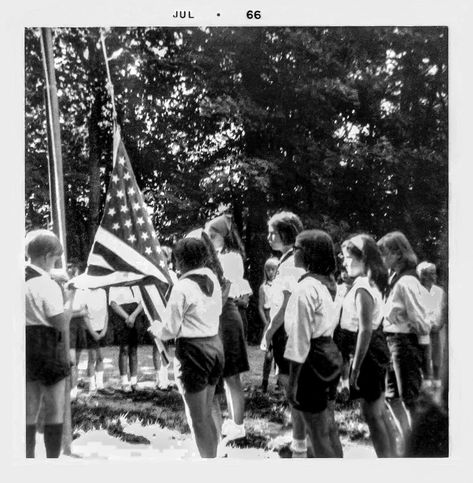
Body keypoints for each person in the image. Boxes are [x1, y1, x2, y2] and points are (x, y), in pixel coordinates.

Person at [150, 237, 224, 458]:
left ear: (179, 260)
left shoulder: (182, 287)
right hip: (215, 346)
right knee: (208, 410)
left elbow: (169, 330)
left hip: (193, 352)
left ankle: (208, 465)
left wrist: (156, 328)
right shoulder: (212, 278)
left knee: (197, 418)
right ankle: (212, 456)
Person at [284, 229, 343, 457]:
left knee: (316, 433)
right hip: (328, 354)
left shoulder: (305, 288)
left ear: (308, 253)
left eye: (296, 248)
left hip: (313, 360)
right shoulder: (327, 284)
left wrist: (293, 382)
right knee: (328, 425)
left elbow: (300, 340)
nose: (293, 252)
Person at [340, 234, 395, 457]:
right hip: (374, 349)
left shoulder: (363, 286)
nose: (344, 262)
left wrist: (355, 369)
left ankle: (386, 462)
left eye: (347, 257)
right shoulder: (370, 282)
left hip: (366, 353)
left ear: (363, 259)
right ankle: (394, 459)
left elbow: (365, 329)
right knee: (379, 413)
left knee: (372, 414)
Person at [377, 231, 432, 450]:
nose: (381, 258)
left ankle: (421, 446)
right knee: (392, 397)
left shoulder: (407, 281)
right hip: (391, 342)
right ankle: (408, 440)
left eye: (385, 253)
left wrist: (422, 352)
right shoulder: (393, 279)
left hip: (404, 343)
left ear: (399, 254)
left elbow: (421, 321)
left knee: (410, 398)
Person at [25, 230, 74, 458]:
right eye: (54, 258)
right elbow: (61, 321)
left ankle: (26, 459)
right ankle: (52, 462)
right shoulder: (46, 285)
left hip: (23, 346)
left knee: (28, 409)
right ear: (46, 256)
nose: (54, 263)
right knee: (55, 408)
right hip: (47, 346)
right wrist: (70, 298)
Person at [262, 211, 307, 457]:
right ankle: (298, 436)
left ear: (286, 234)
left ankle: (300, 441)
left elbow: (286, 303)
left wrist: (268, 332)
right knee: (287, 384)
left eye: (273, 233)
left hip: (287, 330)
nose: (269, 237)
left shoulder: (291, 264)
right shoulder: (286, 259)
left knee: (291, 386)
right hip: (286, 329)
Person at [205, 214, 250, 442]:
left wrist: (211, 311)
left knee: (232, 374)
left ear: (224, 235)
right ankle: (229, 423)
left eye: (213, 235)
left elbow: (225, 290)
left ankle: (238, 425)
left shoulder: (232, 257)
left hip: (226, 315)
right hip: (217, 316)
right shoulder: (217, 256)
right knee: (222, 375)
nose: (209, 239)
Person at [416, 261, 447, 388]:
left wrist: (439, 324)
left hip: (438, 329)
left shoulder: (440, 291)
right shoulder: (417, 291)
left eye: (434, 273)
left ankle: (437, 384)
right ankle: (426, 385)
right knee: (425, 358)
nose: (435, 276)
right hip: (423, 330)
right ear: (422, 275)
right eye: (431, 273)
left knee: (438, 355)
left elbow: (445, 309)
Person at [109, 285, 145, 392]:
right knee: (124, 349)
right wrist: (127, 317)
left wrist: (133, 316)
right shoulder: (115, 283)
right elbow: (113, 303)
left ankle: (134, 382)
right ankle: (124, 382)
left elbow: (142, 302)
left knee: (133, 349)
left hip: (135, 316)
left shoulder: (136, 283)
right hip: (122, 317)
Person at [66, 262, 88, 400]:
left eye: (74, 270)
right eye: (69, 269)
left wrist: (75, 312)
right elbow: (65, 312)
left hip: (80, 326)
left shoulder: (82, 289)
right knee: (71, 361)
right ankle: (71, 392)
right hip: (69, 326)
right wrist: (77, 311)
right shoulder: (65, 289)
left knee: (77, 362)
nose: (73, 272)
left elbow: (85, 309)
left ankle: (73, 388)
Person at [258, 257, 279, 393]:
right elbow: (260, 307)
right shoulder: (263, 287)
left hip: (278, 317)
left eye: (273, 269)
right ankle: (264, 383)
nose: (271, 272)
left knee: (279, 353)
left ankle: (279, 383)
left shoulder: (280, 285)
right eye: (268, 270)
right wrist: (266, 322)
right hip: (267, 317)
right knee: (268, 356)